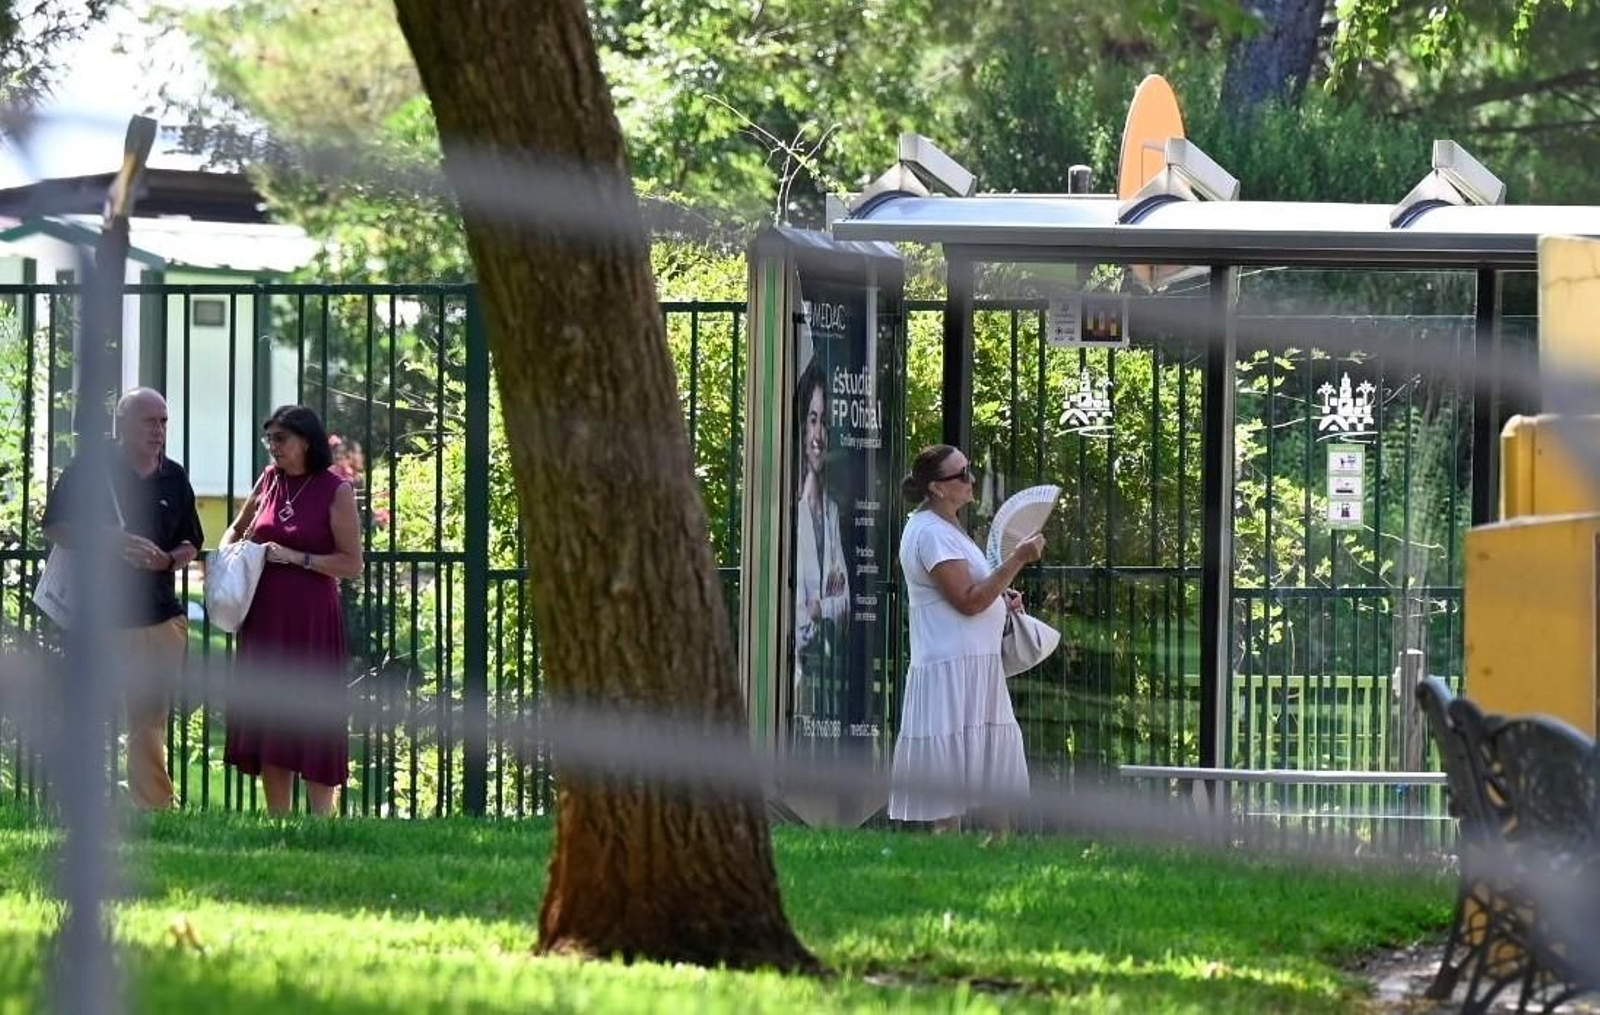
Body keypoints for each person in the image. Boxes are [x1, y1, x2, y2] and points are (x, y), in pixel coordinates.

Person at [41, 387, 204, 811]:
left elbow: (192, 542)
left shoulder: (175, 475)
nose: (159, 430)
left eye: (164, 421)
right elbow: (56, 526)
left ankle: (152, 807)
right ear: (123, 424)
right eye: (150, 421)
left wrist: (168, 559)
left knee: (149, 720)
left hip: (158, 618)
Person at [889, 444, 1042, 833]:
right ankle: (950, 847)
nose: (971, 479)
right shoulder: (930, 533)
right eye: (961, 474)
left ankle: (998, 845)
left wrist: (1002, 596)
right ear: (937, 488)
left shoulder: (947, 527)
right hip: (951, 667)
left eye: (969, 470)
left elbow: (979, 589)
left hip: (972, 664)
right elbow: (969, 601)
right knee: (952, 767)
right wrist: (1018, 560)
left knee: (984, 760)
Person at [221, 405, 363, 816]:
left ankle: (322, 823)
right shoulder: (269, 481)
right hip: (265, 618)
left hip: (312, 621)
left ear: (306, 440)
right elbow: (238, 527)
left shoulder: (335, 489)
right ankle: (278, 821)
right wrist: (235, 552)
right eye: (269, 440)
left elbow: (351, 563)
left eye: (281, 439)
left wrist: (297, 558)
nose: (273, 448)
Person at [793, 368, 850, 723]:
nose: (819, 434)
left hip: (828, 671)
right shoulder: (787, 508)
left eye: (825, 422)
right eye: (812, 420)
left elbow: (846, 601)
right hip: (794, 672)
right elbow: (795, 614)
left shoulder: (831, 512)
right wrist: (820, 607)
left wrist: (819, 608)